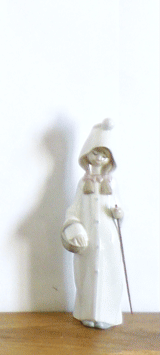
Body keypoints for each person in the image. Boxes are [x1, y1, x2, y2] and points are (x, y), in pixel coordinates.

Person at [61, 119, 125, 329]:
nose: (99, 158)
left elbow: (118, 208)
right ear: (87, 153)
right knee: (87, 275)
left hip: (108, 238)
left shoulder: (111, 183)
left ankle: (107, 314)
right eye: (96, 152)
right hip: (88, 239)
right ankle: (87, 311)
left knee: (108, 274)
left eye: (104, 154)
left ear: (109, 159)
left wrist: (119, 213)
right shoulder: (83, 183)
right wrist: (74, 227)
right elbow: (74, 209)